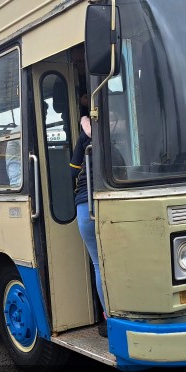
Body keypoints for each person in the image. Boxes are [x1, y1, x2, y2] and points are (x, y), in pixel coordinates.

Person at [70, 116, 107, 337]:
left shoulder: (84, 136)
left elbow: (73, 170)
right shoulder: (115, 135)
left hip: (84, 206)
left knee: (98, 265)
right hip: (109, 204)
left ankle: (108, 318)